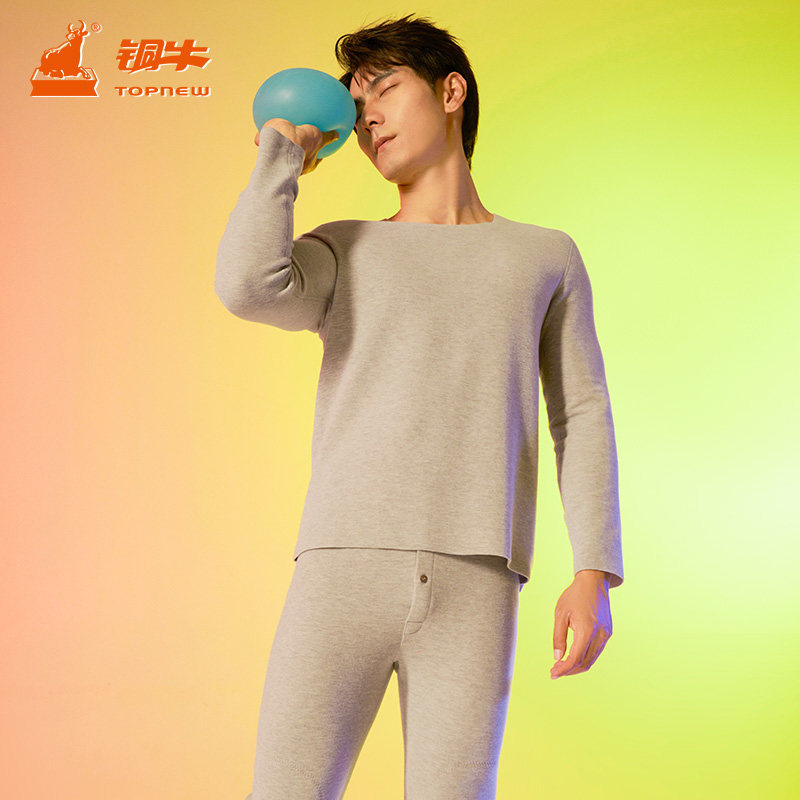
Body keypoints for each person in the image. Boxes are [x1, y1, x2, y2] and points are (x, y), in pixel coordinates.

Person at [216, 13, 624, 800]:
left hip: (478, 581)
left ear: (451, 91)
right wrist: (282, 159)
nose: (365, 117)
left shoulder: (545, 256)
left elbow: (582, 411)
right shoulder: (343, 248)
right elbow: (246, 287)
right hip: (342, 569)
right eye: (353, 105)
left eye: (384, 88)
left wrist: (594, 571)